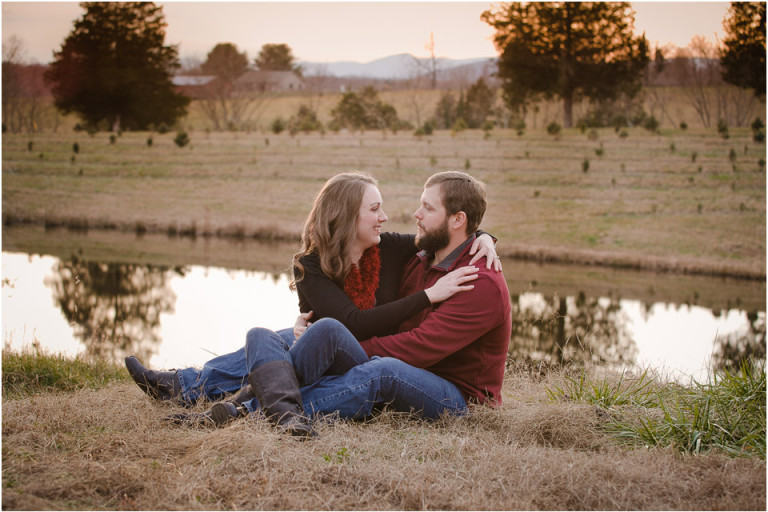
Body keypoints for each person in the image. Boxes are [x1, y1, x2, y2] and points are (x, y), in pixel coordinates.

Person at [125, 173, 500, 411]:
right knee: (281, 338)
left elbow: (455, 234)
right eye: (375, 209)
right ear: (348, 217)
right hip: (364, 344)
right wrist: (318, 337)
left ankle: (251, 409)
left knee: (334, 348)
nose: (395, 216)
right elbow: (349, 321)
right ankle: (185, 385)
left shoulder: (412, 255)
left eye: (425, 207)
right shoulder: (318, 264)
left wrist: (482, 237)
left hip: (421, 376)